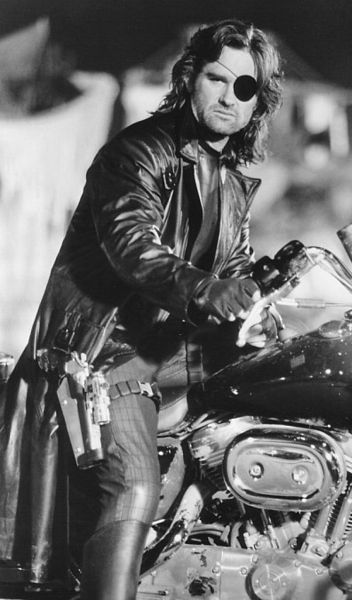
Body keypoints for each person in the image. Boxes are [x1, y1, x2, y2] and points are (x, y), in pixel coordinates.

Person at [0, 18, 283, 600]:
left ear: (258, 102)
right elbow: (133, 244)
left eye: (245, 87)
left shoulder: (231, 184)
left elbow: (233, 269)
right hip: (101, 352)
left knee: (283, 382)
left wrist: (259, 309)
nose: (229, 97)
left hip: (167, 352)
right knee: (132, 483)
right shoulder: (138, 151)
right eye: (217, 78)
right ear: (190, 77)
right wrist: (206, 291)